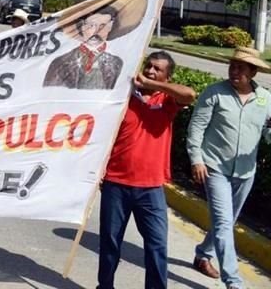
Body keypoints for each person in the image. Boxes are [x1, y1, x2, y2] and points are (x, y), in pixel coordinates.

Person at [98, 51, 195, 289]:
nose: (150, 71)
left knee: (157, 245)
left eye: (157, 69)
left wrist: (151, 85)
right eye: (148, 66)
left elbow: (190, 95)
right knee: (110, 243)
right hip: (116, 182)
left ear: (167, 77)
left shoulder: (168, 100)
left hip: (150, 188)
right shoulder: (125, 96)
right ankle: (105, 285)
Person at [188, 46, 271, 288]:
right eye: (232, 66)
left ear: (253, 72)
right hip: (215, 169)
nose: (234, 71)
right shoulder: (214, 93)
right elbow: (195, 128)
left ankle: (203, 254)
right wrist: (196, 159)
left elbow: (266, 133)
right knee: (224, 224)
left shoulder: (265, 98)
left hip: (246, 172)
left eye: (241, 68)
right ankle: (234, 282)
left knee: (226, 222)